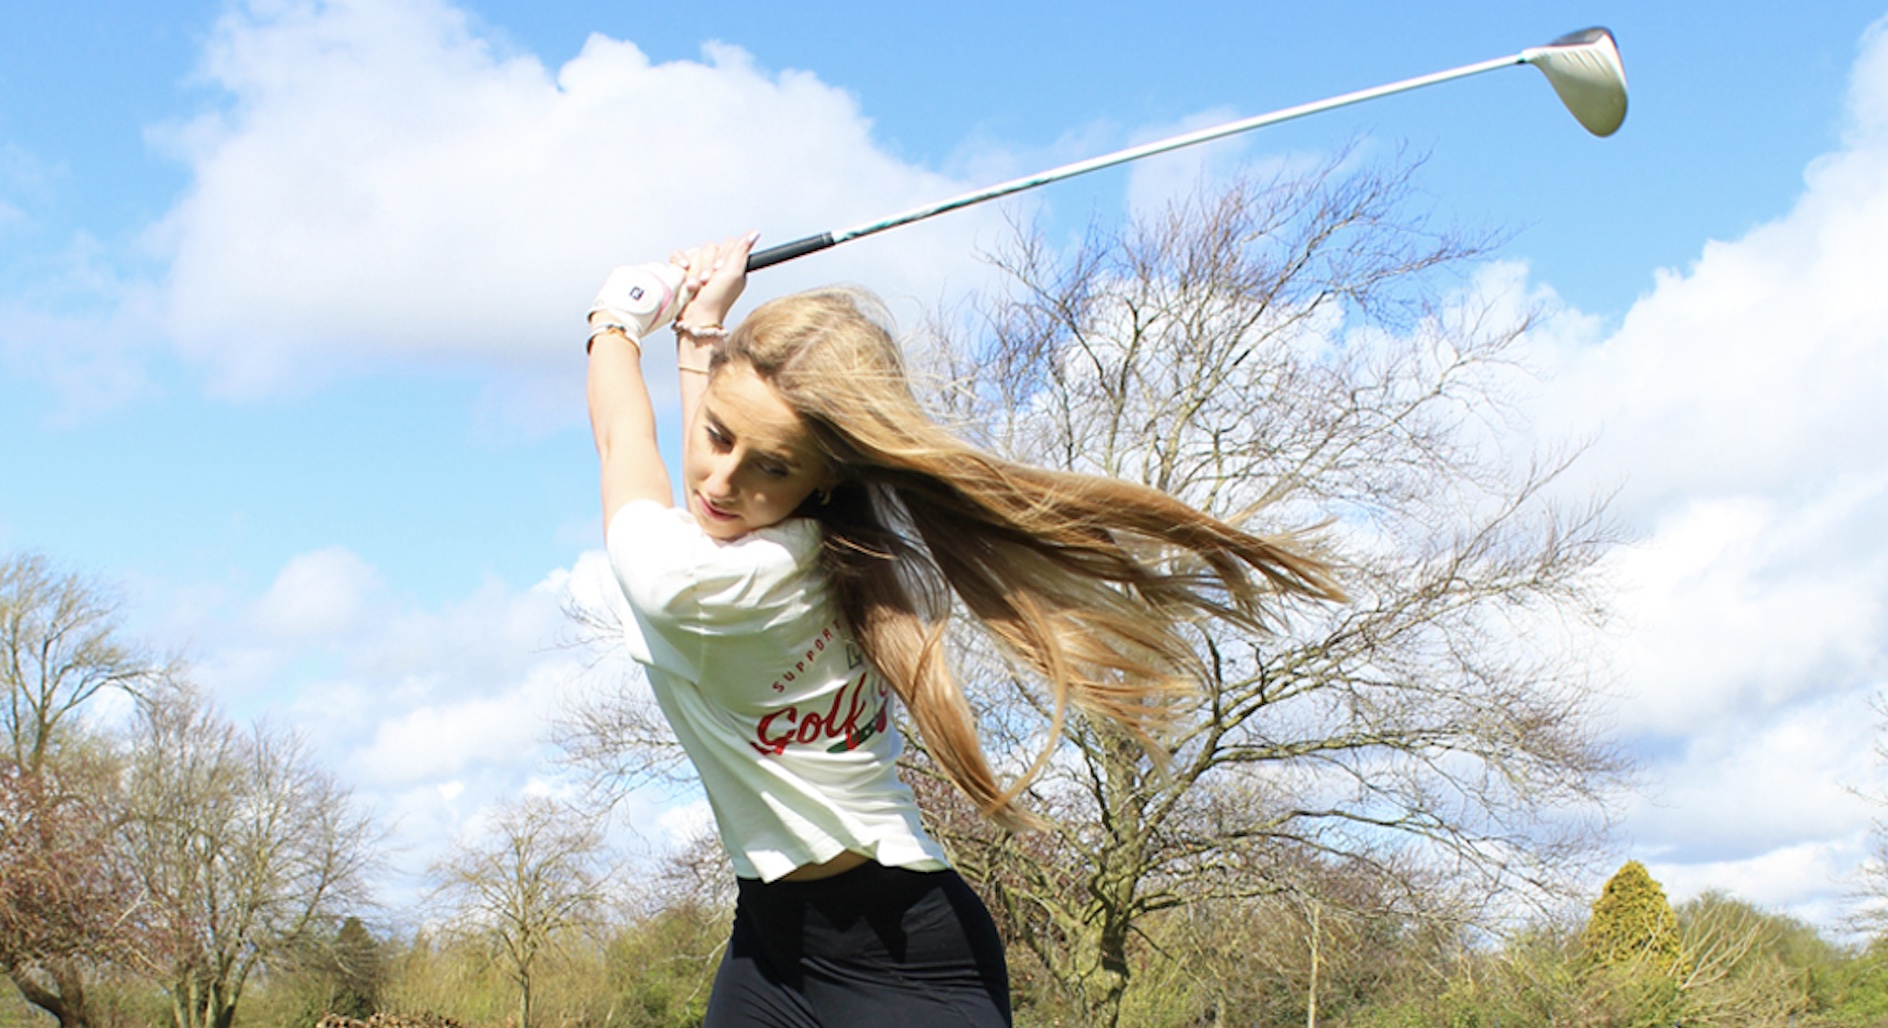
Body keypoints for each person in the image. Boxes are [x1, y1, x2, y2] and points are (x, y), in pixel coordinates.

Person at [585, 233, 1344, 1026]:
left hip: (902, 961)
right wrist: (702, 331)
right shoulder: (810, 543)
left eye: (772, 466)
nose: (721, 480)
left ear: (826, 477)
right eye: (716, 435)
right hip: (769, 946)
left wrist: (619, 313)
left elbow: (621, 441)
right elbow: (721, 479)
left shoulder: (710, 583)